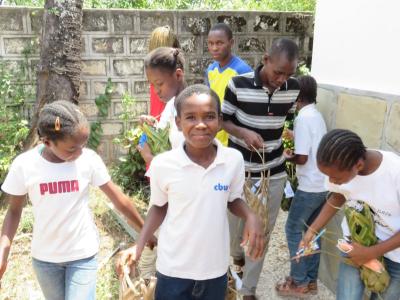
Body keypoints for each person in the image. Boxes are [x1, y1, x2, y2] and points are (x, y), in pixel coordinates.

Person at [120, 84, 265, 300]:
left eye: (209, 116)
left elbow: (233, 198)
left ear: (219, 120)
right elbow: (159, 207)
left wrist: (251, 215)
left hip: (214, 270)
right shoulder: (163, 164)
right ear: (178, 122)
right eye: (190, 117)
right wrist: (139, 246)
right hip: (173, 270)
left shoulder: (232, 159)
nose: (200, 125)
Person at [0, 100, 148, 300]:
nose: (79, 153)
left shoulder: (88, 160)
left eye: (83, 145)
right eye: (71, 149)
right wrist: (4, 250)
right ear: (47, 142)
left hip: (83, 254)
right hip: (45, 259)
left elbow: (119, 199)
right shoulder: (25, 165)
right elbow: (14, 211)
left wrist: (145, 231)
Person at [221, 38, 300, 299]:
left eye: (289, 74)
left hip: (273, 172)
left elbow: (278, 121)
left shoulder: (293, 89)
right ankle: (237, 258)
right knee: (233, 229)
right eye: (278, 72)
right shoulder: (238, 84)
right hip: (239, 172)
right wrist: (244, 132)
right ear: (265, 59)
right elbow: (224, 120)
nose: (282, 80)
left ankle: (249, 290)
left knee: (262, 231)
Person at [299, 129, 400, 300]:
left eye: (335, 178)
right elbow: (338, 194)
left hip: (394, 255)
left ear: (358, 166)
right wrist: (313, 230)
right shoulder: (339, 170)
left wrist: (371, 252)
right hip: (354, 245)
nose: (331, 181)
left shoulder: (395, 173)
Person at [275, 75, 328, 297]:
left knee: (293, 229)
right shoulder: (314, 115)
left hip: (310, 186)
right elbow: (313, 142)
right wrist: (293, 136)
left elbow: (303, 158)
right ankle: (311, 280)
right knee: (312, 232)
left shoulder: (302, 118)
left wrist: (287, 157)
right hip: (323, 185)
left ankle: (299, 281)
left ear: (297, 95)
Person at [138, 47, 187, 165]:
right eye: (152, 85)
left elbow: (186, 166)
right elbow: (161, 133)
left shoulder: (193, 110)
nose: (156, 91)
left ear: (178, 75)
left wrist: (149, 158)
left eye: (159, 84)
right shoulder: (172, 104)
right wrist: (150, 126)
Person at [206, 23, 252, 146]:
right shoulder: (210, 70)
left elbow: (248, 108)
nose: (214, 48)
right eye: (211, 43)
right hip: (216, 136)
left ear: (231, 43)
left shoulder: (243, 71)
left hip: (235, 139)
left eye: (219, 43)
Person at [148, 26, 180, 120]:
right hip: (163, 125)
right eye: (174, 45)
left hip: (158, 124)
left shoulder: (152, 71)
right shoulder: (168, 73)